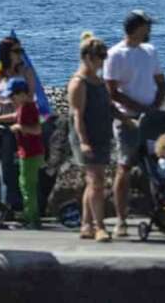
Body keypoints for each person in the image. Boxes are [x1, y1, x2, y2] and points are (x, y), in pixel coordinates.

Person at [104, 9, 165, 237]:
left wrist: (155, 108)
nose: (150, 30)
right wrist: (139, 110)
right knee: (125, 166)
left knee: (157, 166)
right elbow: (112, 91)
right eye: (147, 26)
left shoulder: (150, 51)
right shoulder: (115, 54)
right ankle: (121, 219)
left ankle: (163, 215)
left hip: (150, 120)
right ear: (138, 27)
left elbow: (161, 82)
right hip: (127, 120)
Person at [0, 37, 37, 214]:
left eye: (21, 51)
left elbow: (31, 97)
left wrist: (13, 98)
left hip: (18, 122)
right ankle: (0, 204)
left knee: (16, 168)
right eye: (17, 51)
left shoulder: (26, 72)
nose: (21, 55)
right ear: (6, 53)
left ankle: (17, 205)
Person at [67, 32, 114, 242]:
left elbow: (108, 106)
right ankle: (99, 226)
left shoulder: (99, 81)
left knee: (94, 181)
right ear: (88, 57)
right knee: (97, 182)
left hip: (102, 134)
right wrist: (84, 141)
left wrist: (128, 120)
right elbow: (77, 115)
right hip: (86, 136)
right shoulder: (79, 83)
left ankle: (86, 225)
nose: (103, 61)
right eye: (100, 57)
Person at [0, 79, 44, 228]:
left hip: (31, 153)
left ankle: (32, 218)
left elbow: (37, 129)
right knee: (24, 183)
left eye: (13, 96)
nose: (11, 99)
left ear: (23, 94)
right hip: (24, 152)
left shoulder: (29, 107)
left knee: (28, 187)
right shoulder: (21, 107)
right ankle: (28, 215)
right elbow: (14, 116)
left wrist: (20, 128)